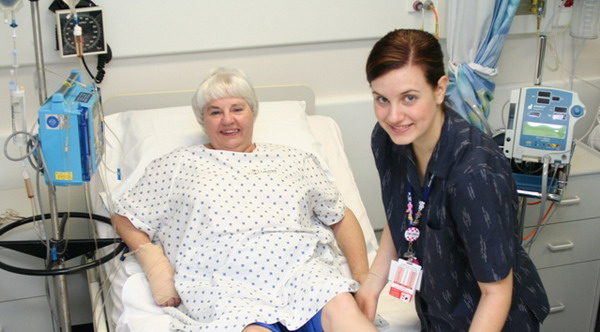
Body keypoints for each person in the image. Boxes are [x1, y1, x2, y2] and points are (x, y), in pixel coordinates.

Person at [111, 67, 378, 332]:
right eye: (215, 111)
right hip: (222, 286)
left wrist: (363, 277)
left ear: (253, 113)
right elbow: (125, 217)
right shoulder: (177, 165)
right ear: (202, 119)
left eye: (237, 109)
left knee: (344, 311)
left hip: (303, 274)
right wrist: (154, 264)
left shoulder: (295, 159)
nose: (228, 120)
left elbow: (339, 215)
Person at [355, 29, 550, 331]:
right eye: (381, 99)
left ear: (439, 89)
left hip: (496, 317)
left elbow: (496, 292)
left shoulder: (475, 172)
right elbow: (403, 216)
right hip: (438, 310)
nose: (393, 116)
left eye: (409, 98)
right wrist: (371, 285)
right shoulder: (387, 141)